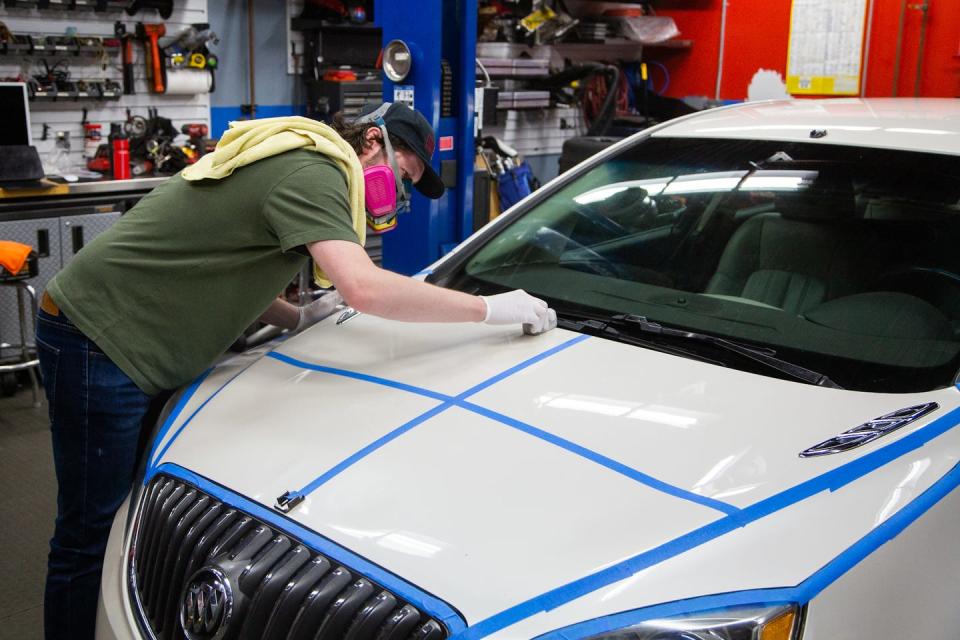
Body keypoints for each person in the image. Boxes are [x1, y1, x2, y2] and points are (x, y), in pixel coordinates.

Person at [35, 102, 555, 639]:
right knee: (89, 529)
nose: (399, 193)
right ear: (372, 143)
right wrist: (490, 309)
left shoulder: (305, 164)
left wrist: (296, 316)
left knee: (127, 508)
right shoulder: (316, 172)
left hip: (131, 339)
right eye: (403, 174)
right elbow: (365, 288)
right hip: (99, 335)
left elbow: (230, 259)